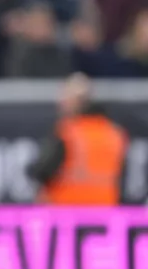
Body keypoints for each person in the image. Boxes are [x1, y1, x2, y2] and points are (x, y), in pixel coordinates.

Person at [26, 73, 129, 205]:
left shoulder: (68, 133)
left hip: (68, 213)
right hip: (104, 214)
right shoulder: (114, 133)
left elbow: (43, 170)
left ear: (76, 102)